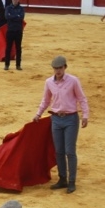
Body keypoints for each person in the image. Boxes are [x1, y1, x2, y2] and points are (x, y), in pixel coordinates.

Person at [32, 56, 90, 194]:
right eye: (55, 68)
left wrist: (85, 115)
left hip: (71, 119)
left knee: (70, 151)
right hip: (56, 119)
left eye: (60, 68)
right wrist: (38, 114)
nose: (58, 71)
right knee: (59, 151)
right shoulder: (49, 82)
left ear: (65, 67)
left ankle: (72, 181)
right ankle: (62, 179)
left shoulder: (73, 81)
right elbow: (46, 100)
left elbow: (82, 99)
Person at [3, 0, 25, 71]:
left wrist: (12, 16)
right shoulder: (8, 8)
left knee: (18, 48)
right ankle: (6, 65)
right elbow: (7, 17)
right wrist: (16, 16)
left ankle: (18, 65)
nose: (15, 0)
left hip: (18, 31)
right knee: (8, 48)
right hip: (10, 31)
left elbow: (21, 17)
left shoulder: (21, 9)